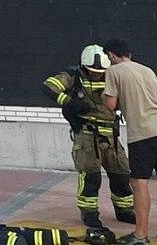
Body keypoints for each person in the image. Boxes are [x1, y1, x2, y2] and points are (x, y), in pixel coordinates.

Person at [45, 45, 136, 232]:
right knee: (90, 176)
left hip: (111, 134)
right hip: (86, 135)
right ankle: (89, 213)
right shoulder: (73, 75)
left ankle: (124, 210)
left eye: (100, 71)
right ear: (84, 66)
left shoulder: (112, 75)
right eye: (92, 72)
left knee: (121, 173)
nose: (97, 74)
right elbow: (49, 87)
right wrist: (70, 102)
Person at [103, 40, 157, 245]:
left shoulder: (114, 71)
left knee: (139, 183)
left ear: (111, 55)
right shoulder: (148, 70)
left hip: (142, 133)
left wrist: (105, 98)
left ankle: (140, 235)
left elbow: (110, 104)